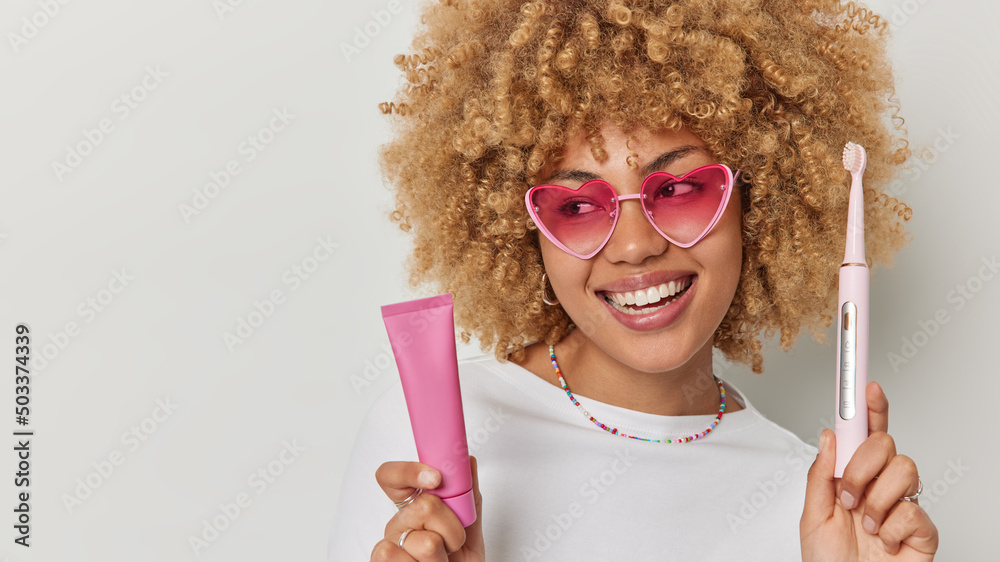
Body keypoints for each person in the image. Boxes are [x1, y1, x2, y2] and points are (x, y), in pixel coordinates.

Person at [330, 0, 939, 559]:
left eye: (676, 190)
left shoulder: (824, 509)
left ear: (756, 198)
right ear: (524, 232)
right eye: (576, 206)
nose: (634, 246)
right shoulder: (435, 449)